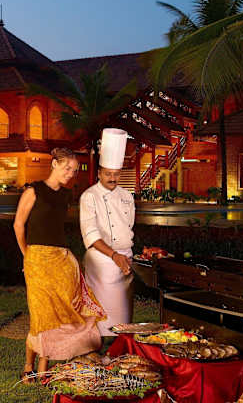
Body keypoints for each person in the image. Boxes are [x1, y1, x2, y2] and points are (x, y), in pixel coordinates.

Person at [13, 147, 106, 382]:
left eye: (74, 170)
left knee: (60, 314)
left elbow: (58, 229)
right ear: (54, 163)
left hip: (63, 261)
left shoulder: (66, 195)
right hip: (37, 260)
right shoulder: (34, 191)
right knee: (40, 314)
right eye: (67, 168)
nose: (70, 174)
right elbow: (18, 225)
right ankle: (28, 366)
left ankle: (43, 367)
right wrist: (27, 255)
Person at [80, 128, 136, 346]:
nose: (112, 178)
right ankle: (97, 347)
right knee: (101, 314)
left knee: (123, 314)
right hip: (101, 261)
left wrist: (125, 254)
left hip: (125, 259)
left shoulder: (127, 196)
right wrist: (114, 255)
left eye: (116, 174)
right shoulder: (89, 196)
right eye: (107, 174)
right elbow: (91, 234)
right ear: (99, 173)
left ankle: (121, 349)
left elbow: (128, 228)